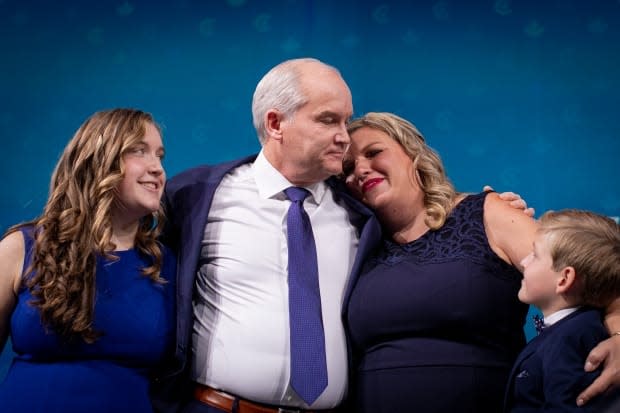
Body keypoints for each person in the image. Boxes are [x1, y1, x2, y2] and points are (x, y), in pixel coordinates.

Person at [156, 58, 530, 413]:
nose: (342, 137)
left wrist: (490, 213)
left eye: (345, 120)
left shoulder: (362, 217)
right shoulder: (196, 195)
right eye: (328, 120)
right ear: (275, 123)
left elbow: (430, 238)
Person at [341, 111, 620, 412]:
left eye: (374, 153)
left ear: (414, 154)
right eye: (348, 167)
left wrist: (618, 336)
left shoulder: (486, 213)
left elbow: (596, 269)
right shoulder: (354, 244)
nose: (361, 170)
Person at [0, 108, 176, 413]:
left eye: (160, 155)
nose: (158, 168)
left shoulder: (166, 265)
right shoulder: (23, 247)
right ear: (98, 159)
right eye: (139, 151)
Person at [504, 209, 620, 412]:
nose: (524, 261)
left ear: (564, 279)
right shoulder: (577, 328)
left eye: (535, 255)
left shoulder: (574, 338)